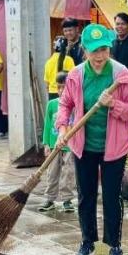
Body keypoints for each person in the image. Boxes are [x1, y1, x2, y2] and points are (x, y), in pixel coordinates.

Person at [56, 23, 128, 255]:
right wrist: (62, 129)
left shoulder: (121, 74)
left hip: (114, 146)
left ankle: (115, 246)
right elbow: (65, 104)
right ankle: (87, 242)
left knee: (112, 196)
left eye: (104, 49)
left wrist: (113, 103)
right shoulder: (76, 75)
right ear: (85, 50)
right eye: (94, 50)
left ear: (109, 48)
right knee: (86, 195)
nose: (100, 55)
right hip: (83, 145)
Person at [38, 71, 76, 212]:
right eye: (58, 87)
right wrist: (46, 144)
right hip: (54, 146)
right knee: (52, 172)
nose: (61, 90)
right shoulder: (52, 104)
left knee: (68, 173)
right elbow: (48, 125)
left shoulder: (75, 105)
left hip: (70, 147)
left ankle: (67, 200)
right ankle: (50, 199)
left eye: (64, 87)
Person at [44, 33, 78, 99]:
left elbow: (47, 83)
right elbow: (74, 78)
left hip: (52, 93)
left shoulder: (48, 62)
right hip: (66, 92)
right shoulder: (69, 60)